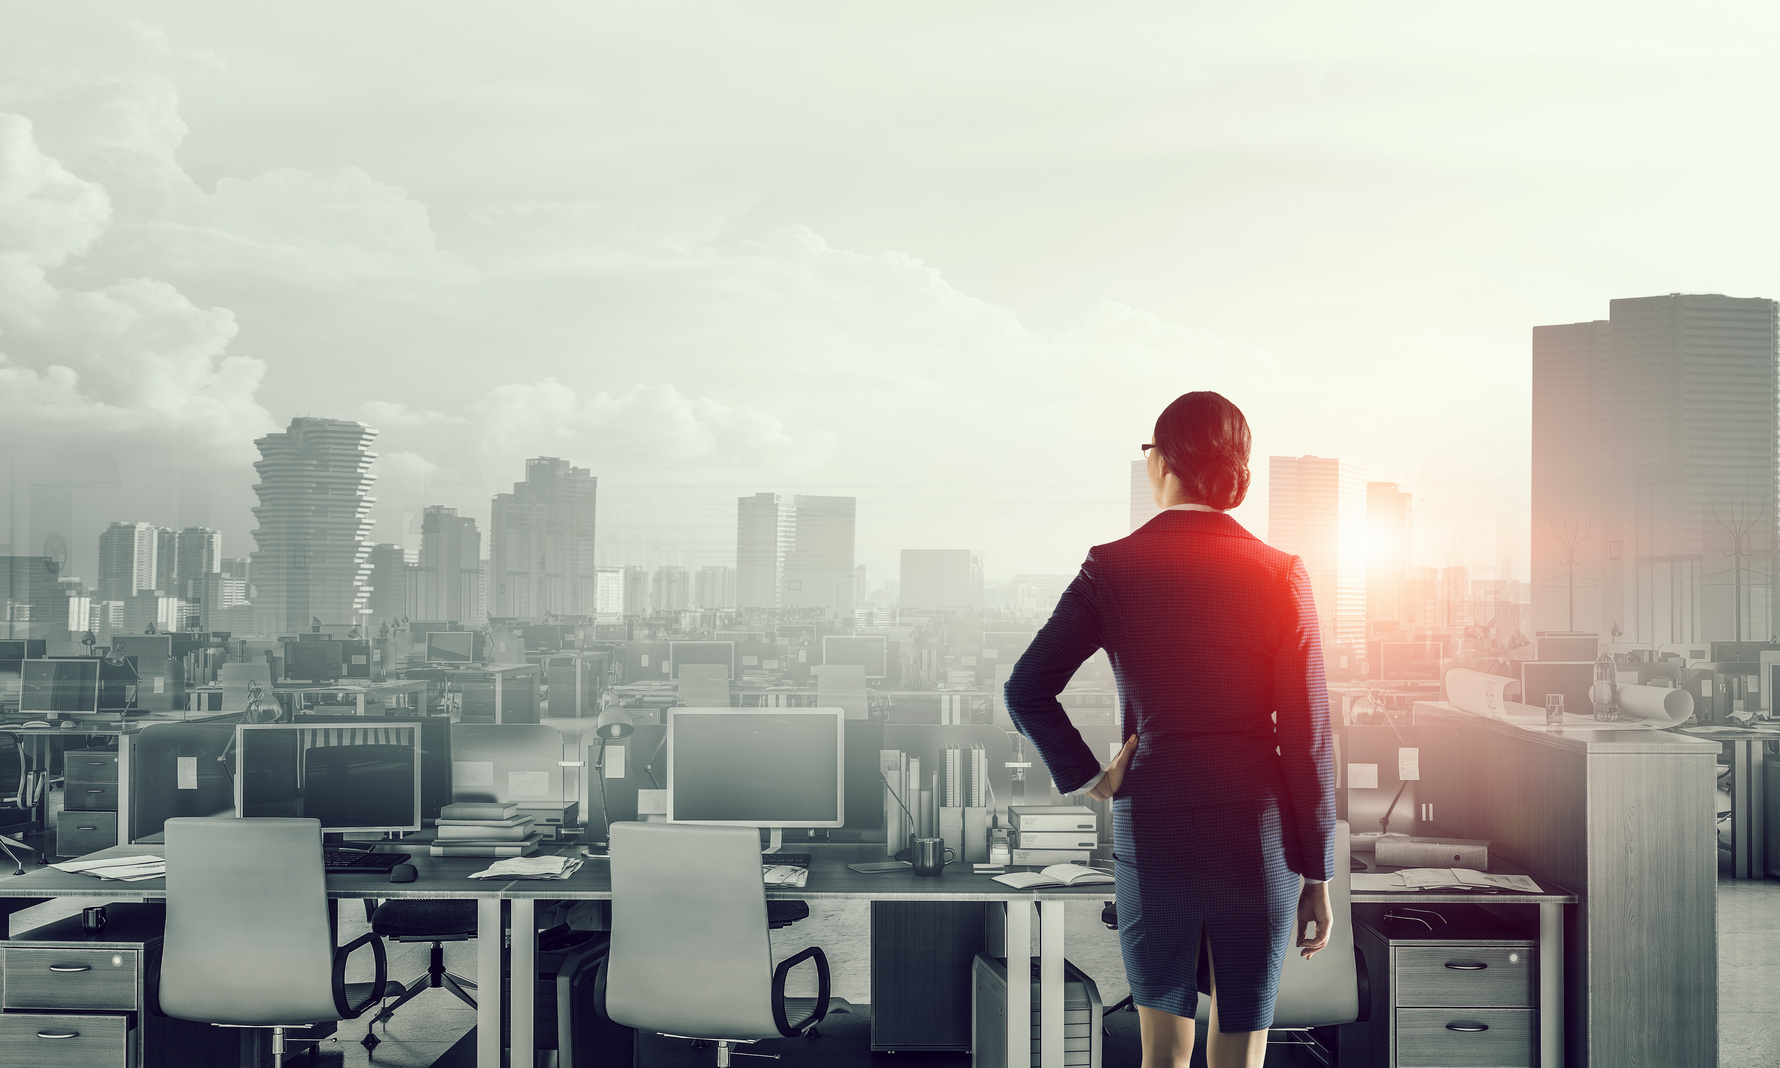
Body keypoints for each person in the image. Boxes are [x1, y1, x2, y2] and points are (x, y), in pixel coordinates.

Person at [1003, 391, 1335, 1068]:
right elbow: (1309, 740)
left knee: (1164, 1051)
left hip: (1153, 820)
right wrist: (1317, 873)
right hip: (1256, 830)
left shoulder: (1112, 567)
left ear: (1163, 461)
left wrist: (1091, 776)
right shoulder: (1282, 573)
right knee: (1241, 1047)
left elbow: (1025, 689)